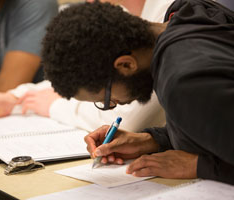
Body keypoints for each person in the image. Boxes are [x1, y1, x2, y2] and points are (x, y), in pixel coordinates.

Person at [40, 1, 234, 184]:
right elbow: (216, 115)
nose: (115, 104)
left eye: (107, 99)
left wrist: (199, 166)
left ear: (126, 64)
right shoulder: (186, 11)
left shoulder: (183, 81)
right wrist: (151, 141)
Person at [0, 0, 174, 132]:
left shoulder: (166, 18)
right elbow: (82, 74)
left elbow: (128, 120)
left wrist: (53, 106)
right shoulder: (123, 14)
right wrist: (16, 98)